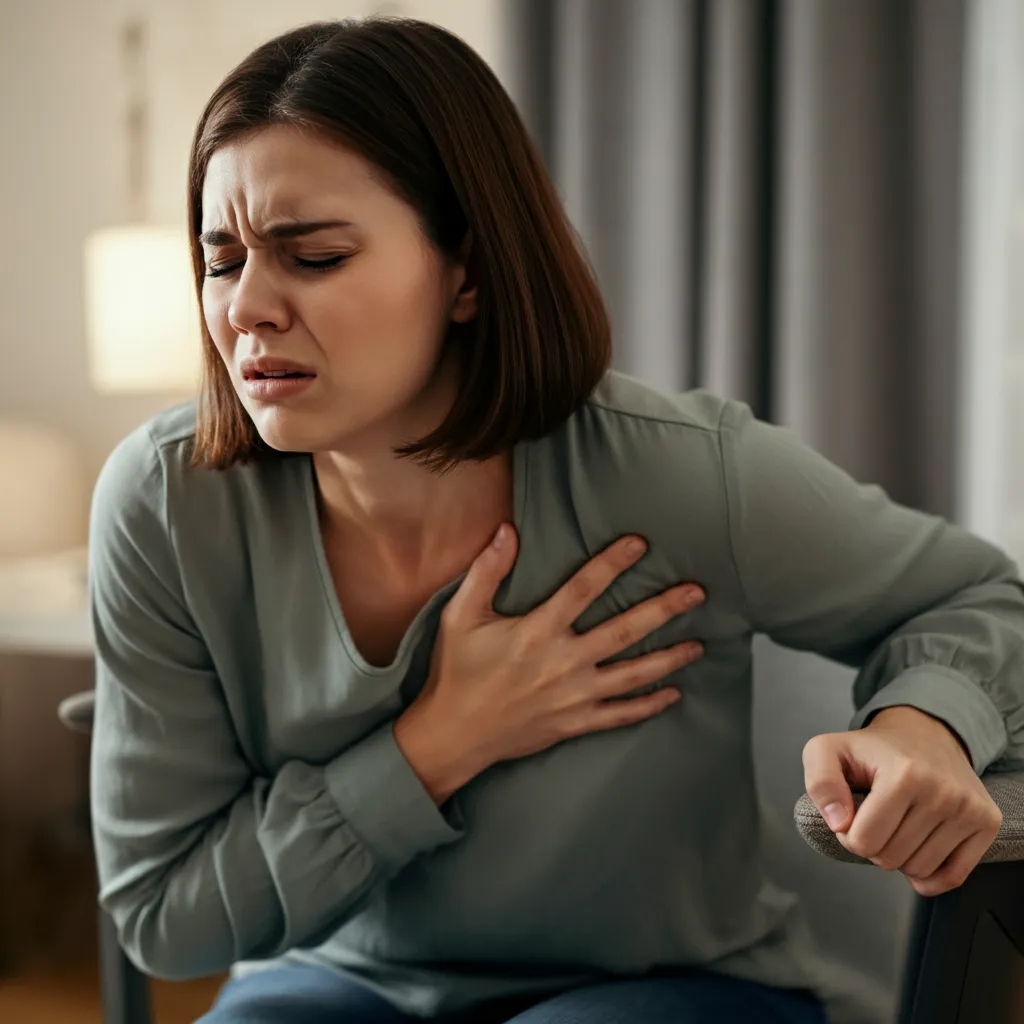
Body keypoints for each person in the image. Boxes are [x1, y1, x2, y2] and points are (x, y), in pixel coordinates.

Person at [88, 17, 1023, 1024]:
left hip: (665, 991)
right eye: (221, 260)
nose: (244, 309)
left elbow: (982, 597)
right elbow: (163, 914)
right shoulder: (165, 503)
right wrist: (436, 744)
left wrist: (920, 722)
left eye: (312, 256)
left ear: (469, 271)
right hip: (334, 985)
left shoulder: (674, 471)